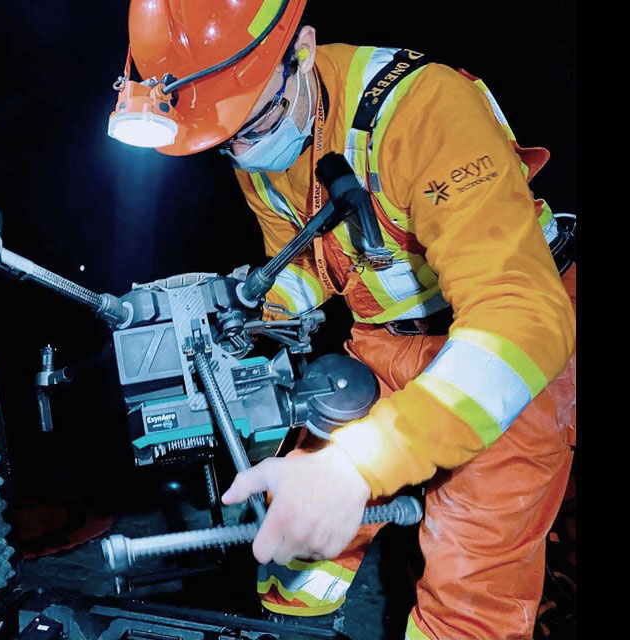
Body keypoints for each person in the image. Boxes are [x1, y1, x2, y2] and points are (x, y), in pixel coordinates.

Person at [107, 2, 577, 638]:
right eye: (224, 142)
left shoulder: (427, 109)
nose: (243, 152)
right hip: (382, 343)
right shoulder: (261, 143)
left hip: (503, 352)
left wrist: (358, 467)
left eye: (250, 124)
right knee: (295, 538)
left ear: (300, 51)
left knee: (471, 594)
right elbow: (314, 263)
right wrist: (250, 308)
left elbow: (521, 317)